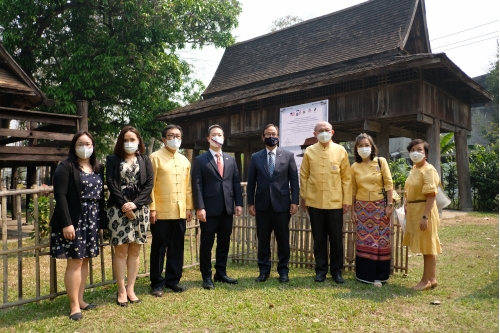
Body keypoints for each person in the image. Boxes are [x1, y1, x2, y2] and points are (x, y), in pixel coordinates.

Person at [49, 131, 106, 321]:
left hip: (92, 218)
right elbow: (60, 196)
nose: (85, 147)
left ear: (93, 146)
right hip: (75, 220)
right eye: (80, 144)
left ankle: (81, 300)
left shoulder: (97, 167)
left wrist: (102, 221)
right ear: (74, 146)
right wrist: (67, 223)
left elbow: (100, 198)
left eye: (88, 144)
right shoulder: (65, 167)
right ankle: (73, 305)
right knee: (75, 260)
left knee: (85, 260)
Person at [191, 124, 243, 290]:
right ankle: (206, 276)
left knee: (224, 242)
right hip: (208, 209)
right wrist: (199, 207)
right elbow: (197, 185)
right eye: (214, 134)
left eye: (220, 134)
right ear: (208, 138)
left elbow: (235, 183)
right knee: (207, 244)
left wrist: (239, 204)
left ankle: (220, 272)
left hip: (227, 208)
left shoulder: (230, 159)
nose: (217, 137)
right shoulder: (200, 160)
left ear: (224, 138)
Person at [106, 126, 153, 306]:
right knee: (121, 251)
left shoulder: (144, 159)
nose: (129, 143)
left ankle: (131, 288)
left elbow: (149, 183)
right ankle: (121, 289)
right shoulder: (112, 159)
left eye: (132, 140)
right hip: (118, 210)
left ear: (139, 141)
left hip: (140, 209)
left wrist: (136, 203)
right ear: (120, 142)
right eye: (125, 140)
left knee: (135, 250)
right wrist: (124, 204)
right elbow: (110, 182)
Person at [300, 121, 352, 284]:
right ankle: (321, 270)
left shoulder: (340, 150)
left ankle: (337, 271)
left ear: (333, 132)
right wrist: (304, 198)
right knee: (319, 238)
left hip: (335, 202)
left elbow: (346, 178)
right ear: (315, 134)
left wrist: (346, 200)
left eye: (326, 130)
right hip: (314, 202)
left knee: (336, 239)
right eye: (320, 131)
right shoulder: (309, 151)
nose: (324, 132)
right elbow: (304, 176)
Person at [247, 124, 299, 283]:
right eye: (268, 134)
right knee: (263, 240)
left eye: (274, 133)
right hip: (262, 205)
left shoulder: (288, 155)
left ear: (278, 136)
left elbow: (294, 180)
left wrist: (295, 201)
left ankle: (283, 271)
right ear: (263, 137)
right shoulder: (256, 157)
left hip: (282, 204)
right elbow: (251, 182)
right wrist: (250, 203)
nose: (271, 136)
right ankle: (264, 271)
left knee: (283, 239)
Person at [149, 125, 194, 296]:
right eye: (170, 135)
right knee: (159, 247)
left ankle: (173, 280)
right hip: (160, 211)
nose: (175, 138)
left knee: (177, 247)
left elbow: (188, 186)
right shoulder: (155, 158)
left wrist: (189, 207)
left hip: (180, 211)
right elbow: (150, 186)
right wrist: (152, 208)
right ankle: (156, 283)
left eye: (177, 135)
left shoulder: (184, 160)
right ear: (163, 139)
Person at [351, 133, 393, 287]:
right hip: (362, 209)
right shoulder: (354, 167)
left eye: (366, 145)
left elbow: (389, 184)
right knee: (365, 240)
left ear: (372, 146)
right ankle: (364, 275)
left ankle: (380, 276)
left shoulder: (381, 162)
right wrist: (353, 211)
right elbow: (353, 190)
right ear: (356, 149)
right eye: (360, 146)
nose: (364, 148)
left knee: (381, 240)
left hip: (380, 207)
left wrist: (389, 205)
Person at [403, 139, 441, 291]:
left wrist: (425, 216)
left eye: (419, 149)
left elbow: (431, 195)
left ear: (425, 154)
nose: (416, 152)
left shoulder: (428, 170)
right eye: (413, 150)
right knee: (427, 245)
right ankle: (432, 278)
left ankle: (425, 281)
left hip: (425, 210)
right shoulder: (414, 169)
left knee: (428, 246)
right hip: (414, 209)